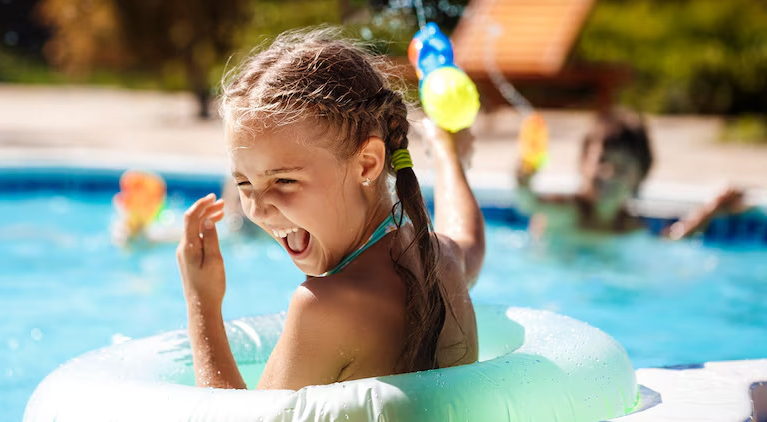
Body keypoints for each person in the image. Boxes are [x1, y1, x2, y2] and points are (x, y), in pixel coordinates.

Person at [176, 27, 486, 390]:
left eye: (284, 181)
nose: (257, 210)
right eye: (244, 184)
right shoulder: (438, 260)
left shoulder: (324, 308)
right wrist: (447, 152)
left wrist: (203, 305)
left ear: (368, 164)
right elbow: (468, 240)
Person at [515, 108, 745, 240]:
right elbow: (527, 202)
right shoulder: (567, 210)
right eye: (602, 161)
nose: (609, 174)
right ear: (583, 161)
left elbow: (667, 242)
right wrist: (524, 177)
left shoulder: (629, 226)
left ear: (640, 177)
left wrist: (710, 210)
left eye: (622, 167)